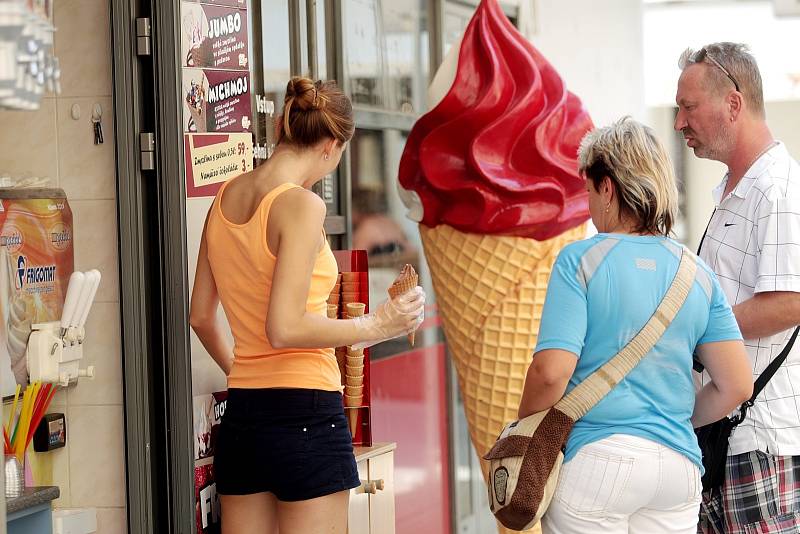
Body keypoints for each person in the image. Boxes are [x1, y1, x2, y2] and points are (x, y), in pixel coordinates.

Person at [189, 76, 425, 534]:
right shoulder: (301, 205)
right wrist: (377, 325)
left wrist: (244, 369)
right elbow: (286, 325)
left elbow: (200, 315)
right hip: (307, 413)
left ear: (281, 125)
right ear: (333, 146)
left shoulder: (223, 198)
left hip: (243, 420)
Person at [517, 117, 753, 534]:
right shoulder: (696, 273)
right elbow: (736, 385)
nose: (589, 206)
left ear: (607, 187)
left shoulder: (580, 261)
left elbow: (551, 372)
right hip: (677, 469)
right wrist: (670, 417)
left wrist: (526, 432)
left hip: (597, 461)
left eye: (589, 191)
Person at [674, 42, 800, 533]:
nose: (680, 122)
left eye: (688, 107)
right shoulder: (736, 188)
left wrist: (695, 331)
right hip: (732, 435)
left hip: (761, 438)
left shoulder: (777, 188)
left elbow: (792, 301)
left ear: (733, 103)